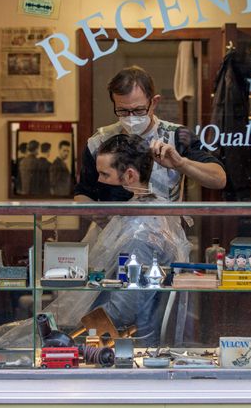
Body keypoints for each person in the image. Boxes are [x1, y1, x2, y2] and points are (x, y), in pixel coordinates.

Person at [45, 134, 190, 346]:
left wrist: (74, 328)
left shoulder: (140, 235)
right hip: (113, 333)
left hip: (123, 341)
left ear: (129, 176)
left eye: (104, 174)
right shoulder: (136, 218)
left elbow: (124, 308)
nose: (98, 182)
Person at [74, 66, 225, 203]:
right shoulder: (99, 142)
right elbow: (83, 193)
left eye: (139, 110)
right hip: (111, 230)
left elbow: (219, 179)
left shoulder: (177, 136)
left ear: (154, 102)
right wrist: (101, 219)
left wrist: (181, 164)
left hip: (163, 229)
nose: (131, 117)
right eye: (123, 111)